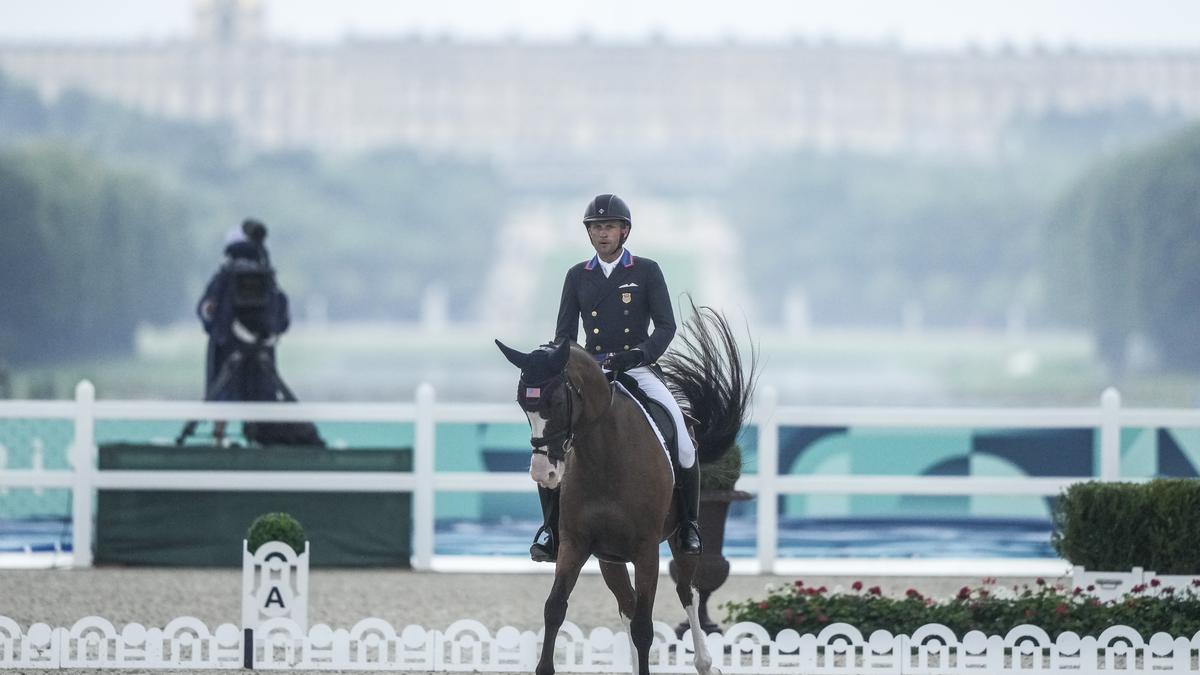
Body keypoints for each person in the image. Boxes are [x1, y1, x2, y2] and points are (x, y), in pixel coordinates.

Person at [530, 193, 702, 562]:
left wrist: (639, 354)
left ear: (624, 231)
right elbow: (565, 336)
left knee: (683, 439)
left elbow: (666, 326)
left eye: (608, 227)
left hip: (638, 367)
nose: (602, 234)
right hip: (592, 373)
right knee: (549, 441)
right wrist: (567, 365)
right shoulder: (577, 276)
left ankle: (689, 523)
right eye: (595, 228)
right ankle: (550, 529)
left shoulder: (646, 271)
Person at [194, 218, 290, 441]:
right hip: (260, 349)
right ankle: (259, 437)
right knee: (259, 395)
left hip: (227, 350)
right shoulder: (267, 278)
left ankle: (218, 438)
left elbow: (207, 312)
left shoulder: (224, 277)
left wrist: (214, 314)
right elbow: (281, 318)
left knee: (223, 393)